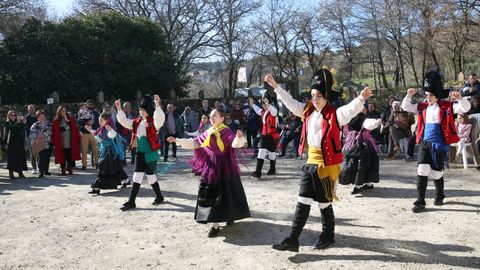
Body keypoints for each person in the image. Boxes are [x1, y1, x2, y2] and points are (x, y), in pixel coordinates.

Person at [266, 68, 372, 252]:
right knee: (303, 200)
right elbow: (290, 102)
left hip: (327, 165)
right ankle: (292, 239)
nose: (314, 99)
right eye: (313, 95)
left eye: (319, 96)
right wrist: (275, 86)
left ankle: (328, 236)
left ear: (326, 96)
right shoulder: (307, 111)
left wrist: (361, 98)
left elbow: (349, 111)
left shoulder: (335, 114)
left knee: (324, 203)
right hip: (311, 163)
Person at [168, 108, 250, 237]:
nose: (211, 118)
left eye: (214, 116)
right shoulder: (209, 131)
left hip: (225, 167)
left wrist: (239, 139)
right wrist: (177, 140)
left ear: (222, 118)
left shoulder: (226, 131)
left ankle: (229, 216)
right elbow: (195, 143)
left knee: (227, 193)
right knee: (211, 194)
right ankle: (215, 225)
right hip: (211, 167)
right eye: (211, 116)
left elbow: (234, 143)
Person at [401, 70, 471, 213]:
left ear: (437, 95)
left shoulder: (447, 106)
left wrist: (459, 98)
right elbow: (405, 107)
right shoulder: (422, 106)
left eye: (431, 95)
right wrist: (408, 95)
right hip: (425, 143)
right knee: (422, 170)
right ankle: (420, 202)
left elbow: (466, 108)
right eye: (426, 95)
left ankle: (440, 194)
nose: (428, 97)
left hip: (439, 145)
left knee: (436, 173)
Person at [116, 95, 165, 211]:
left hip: (150, 155)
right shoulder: (136, 122)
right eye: (140, 110)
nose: (141, 112)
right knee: (137, 177)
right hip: (140, 154)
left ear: (148, 111)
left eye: (143, 110)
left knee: (151, 177)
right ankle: (131, 201)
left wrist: (157, 105)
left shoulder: (153, 123)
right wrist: (119, 109)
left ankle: (159, 196)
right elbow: (124, 121)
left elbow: (160, 120)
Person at [339, 108, 381, 194]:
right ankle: (365, 184)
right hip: (359, 145)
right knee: (364, 163)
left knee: (361, 164)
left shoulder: (349, 119)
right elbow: (374, 124)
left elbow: (344, 132)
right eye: (362, 109)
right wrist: (378, 121)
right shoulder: (363, 120)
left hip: (355, 144)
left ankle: (361, 185)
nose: (363, 111)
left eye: (364, 110)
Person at [86, 113, 129, 195]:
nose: (99, 122)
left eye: (101, 120)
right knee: (117, 168)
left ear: (107, 121)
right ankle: (126, 180)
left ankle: (96, 188)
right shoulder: (101, 129)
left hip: (110, 153)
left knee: (102, 169)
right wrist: (90, 130)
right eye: (99, 120)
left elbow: (113, 136)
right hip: (106, 152)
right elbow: (97, 136)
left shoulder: (109, 128)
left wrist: (110, 130)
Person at [250, 86, 280, 179]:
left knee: (271, 153)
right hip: (264, 135)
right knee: (261, 151)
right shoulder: (262, 112)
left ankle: (272, 169)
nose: (263, 104)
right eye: (262, 103)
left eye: (265, 102)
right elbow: (258, 110)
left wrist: (268, 104)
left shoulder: (273, 111)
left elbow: (274, 111)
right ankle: (258, 172)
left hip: (272, 136)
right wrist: (252, 104)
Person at [52, 106, 81, 175]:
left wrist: (68, 122)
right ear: (59, 112)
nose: (64, 112)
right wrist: (60, 130)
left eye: (65, 111)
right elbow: (54, 132)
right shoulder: (56, 120)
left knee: (69, 155)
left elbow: (75, 129)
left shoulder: (70, 119)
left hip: (69, 140)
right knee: (62, 155)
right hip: (60, 141)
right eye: (62, 111)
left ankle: (70, 168)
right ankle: (63, 170)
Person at [3, 110, 28, 179]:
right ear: (8, 116)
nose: (13, 116)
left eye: (15, 115)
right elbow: (12, 129)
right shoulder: (7, 123)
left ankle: (20, 173)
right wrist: (18, 123)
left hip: (19, 142)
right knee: (12, 158)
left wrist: (23, 123)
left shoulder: (19, 123)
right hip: (11, 143)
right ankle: (11, 174)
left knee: (20, 157)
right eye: (12, 115)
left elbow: (22, 129)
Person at [29, 110, 53, 178]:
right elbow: (32, 134)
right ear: (38, 117)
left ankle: (46, 170)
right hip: (40, 144)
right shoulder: (35, 125)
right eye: (40, 116)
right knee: (41, 157)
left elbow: (53, 132)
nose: (42, 117)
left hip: (49, 143)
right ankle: (41, 171)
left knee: (47, 157)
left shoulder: (49, 124)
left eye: (43, 116)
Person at [25, 104, 38, 174]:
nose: (31, 110)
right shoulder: (26, 118)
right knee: (33, 153)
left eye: (32, 108)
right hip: (31, 137)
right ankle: (34, 168)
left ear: (35, 109)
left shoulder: (37, 117)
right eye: (30, 109)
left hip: (39, 137)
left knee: (39, 152)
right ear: (28, 110)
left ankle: (39, 167)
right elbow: (26, 127)